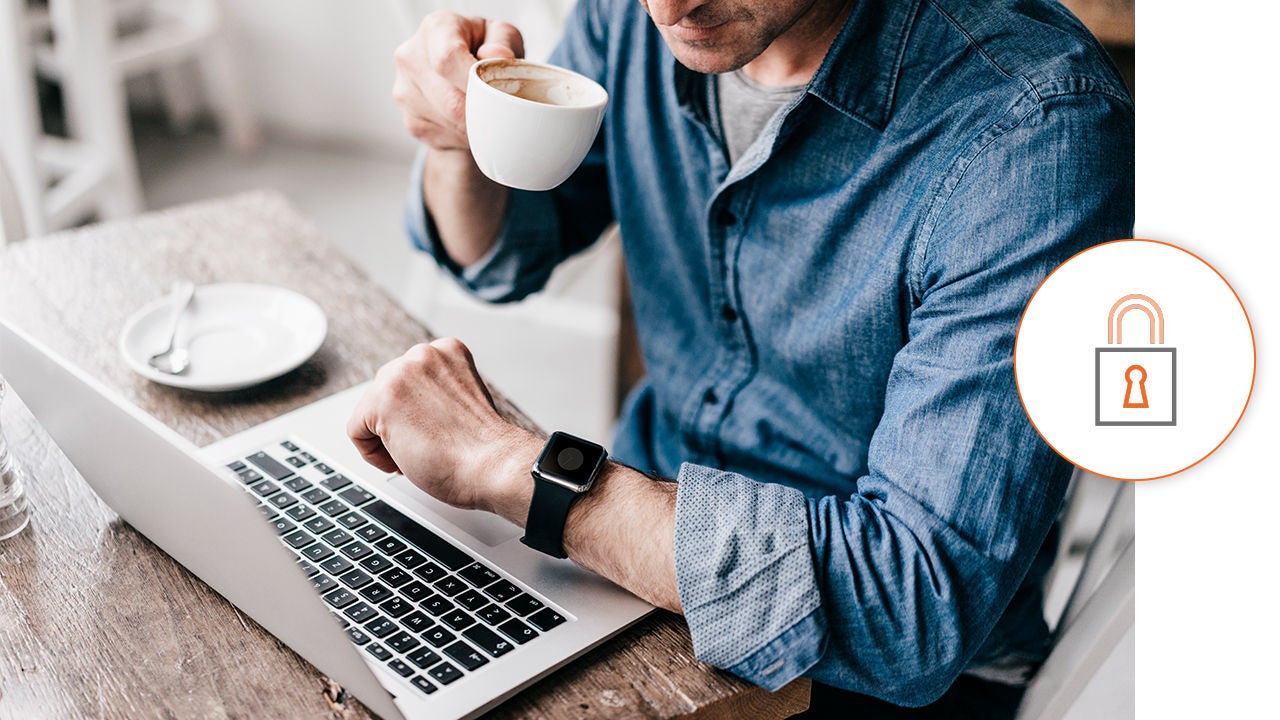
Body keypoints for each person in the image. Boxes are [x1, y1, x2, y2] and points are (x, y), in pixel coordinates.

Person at [353, 0, 1134, 715]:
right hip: (622, 556)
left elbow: (910, 611)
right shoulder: (634, 18)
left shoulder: (1037, 128)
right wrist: (458, 138)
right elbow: (511, 245)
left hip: (860, 675)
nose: (669, 9)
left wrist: (512, 468)